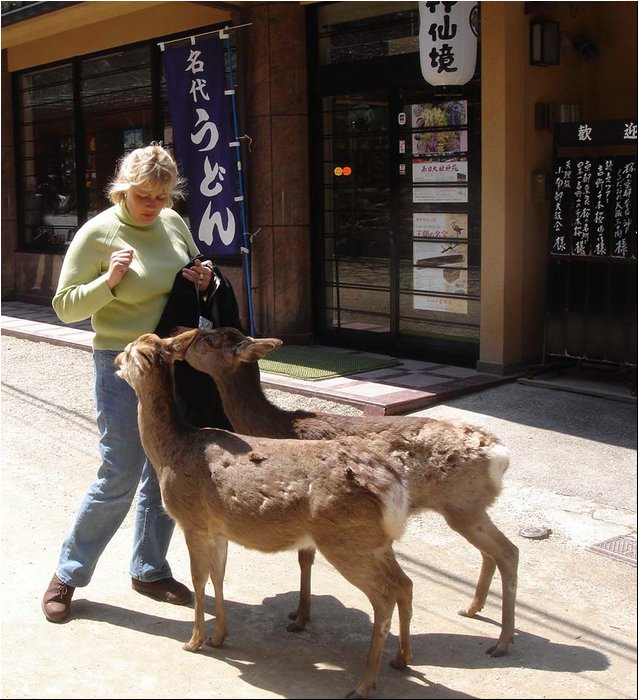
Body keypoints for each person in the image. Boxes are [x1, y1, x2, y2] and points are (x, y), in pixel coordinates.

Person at [42, 143, 225, 623]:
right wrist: (109, 282)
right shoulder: (97, 233)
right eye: (145, 196)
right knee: (119, 471)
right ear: (123, 188)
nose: (154, 206)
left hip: (174, 362)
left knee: (165, 470)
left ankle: (149, 567)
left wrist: (203, 280)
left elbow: (191, 272)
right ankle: (69, 573)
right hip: (123, 364)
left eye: (163, 197)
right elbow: (64, 308)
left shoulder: (172, 224)